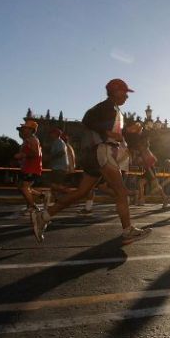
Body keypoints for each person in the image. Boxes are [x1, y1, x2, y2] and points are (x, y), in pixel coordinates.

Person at [30, 79, 152, 244]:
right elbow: (87, 120)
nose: (126, 96)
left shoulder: (114, 110)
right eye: (124, 92)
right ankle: (128, 230)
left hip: (97, 155)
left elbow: (113, 132)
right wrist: (108, 132)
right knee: (121, 192)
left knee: (81, 192)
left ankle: (43, 216)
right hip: (103, 152)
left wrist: (127, 131)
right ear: (115, 91)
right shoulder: (107, 106)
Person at [13, 120, 45, 215]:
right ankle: (41, 195)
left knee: (24, 187)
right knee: (21, 186)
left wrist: (22, 155)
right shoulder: (28, 140)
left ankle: (33, 207)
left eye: (24, 128)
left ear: (31, 130)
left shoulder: (33, 140)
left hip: (32, 168)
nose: (21, 131)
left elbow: (36, 153)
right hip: (28, 167)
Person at [47, 127, 71, 203]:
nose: (50, 135)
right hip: (57, 167)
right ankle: (57, 200)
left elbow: (62, 152)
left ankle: (71, 193)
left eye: (51, 133)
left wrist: (51, 158)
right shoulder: (56, 142)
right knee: (54, 186)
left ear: (56, 134)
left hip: (59, 167)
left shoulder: (59, 142)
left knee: (54, 185)